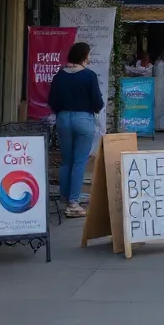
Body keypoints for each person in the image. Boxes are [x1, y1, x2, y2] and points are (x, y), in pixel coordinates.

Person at [49, 42, 104, 218]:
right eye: (88, 54)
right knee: (79, 162)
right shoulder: (89, 75)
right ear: (83, 56)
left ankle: (65, 197)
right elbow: (98, 102)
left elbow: (51, 100)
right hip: (83, 119)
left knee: (66, 161)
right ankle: (73, 203)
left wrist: (62, 112)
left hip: (63, 118)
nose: (89, 57)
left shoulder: (60, 75)